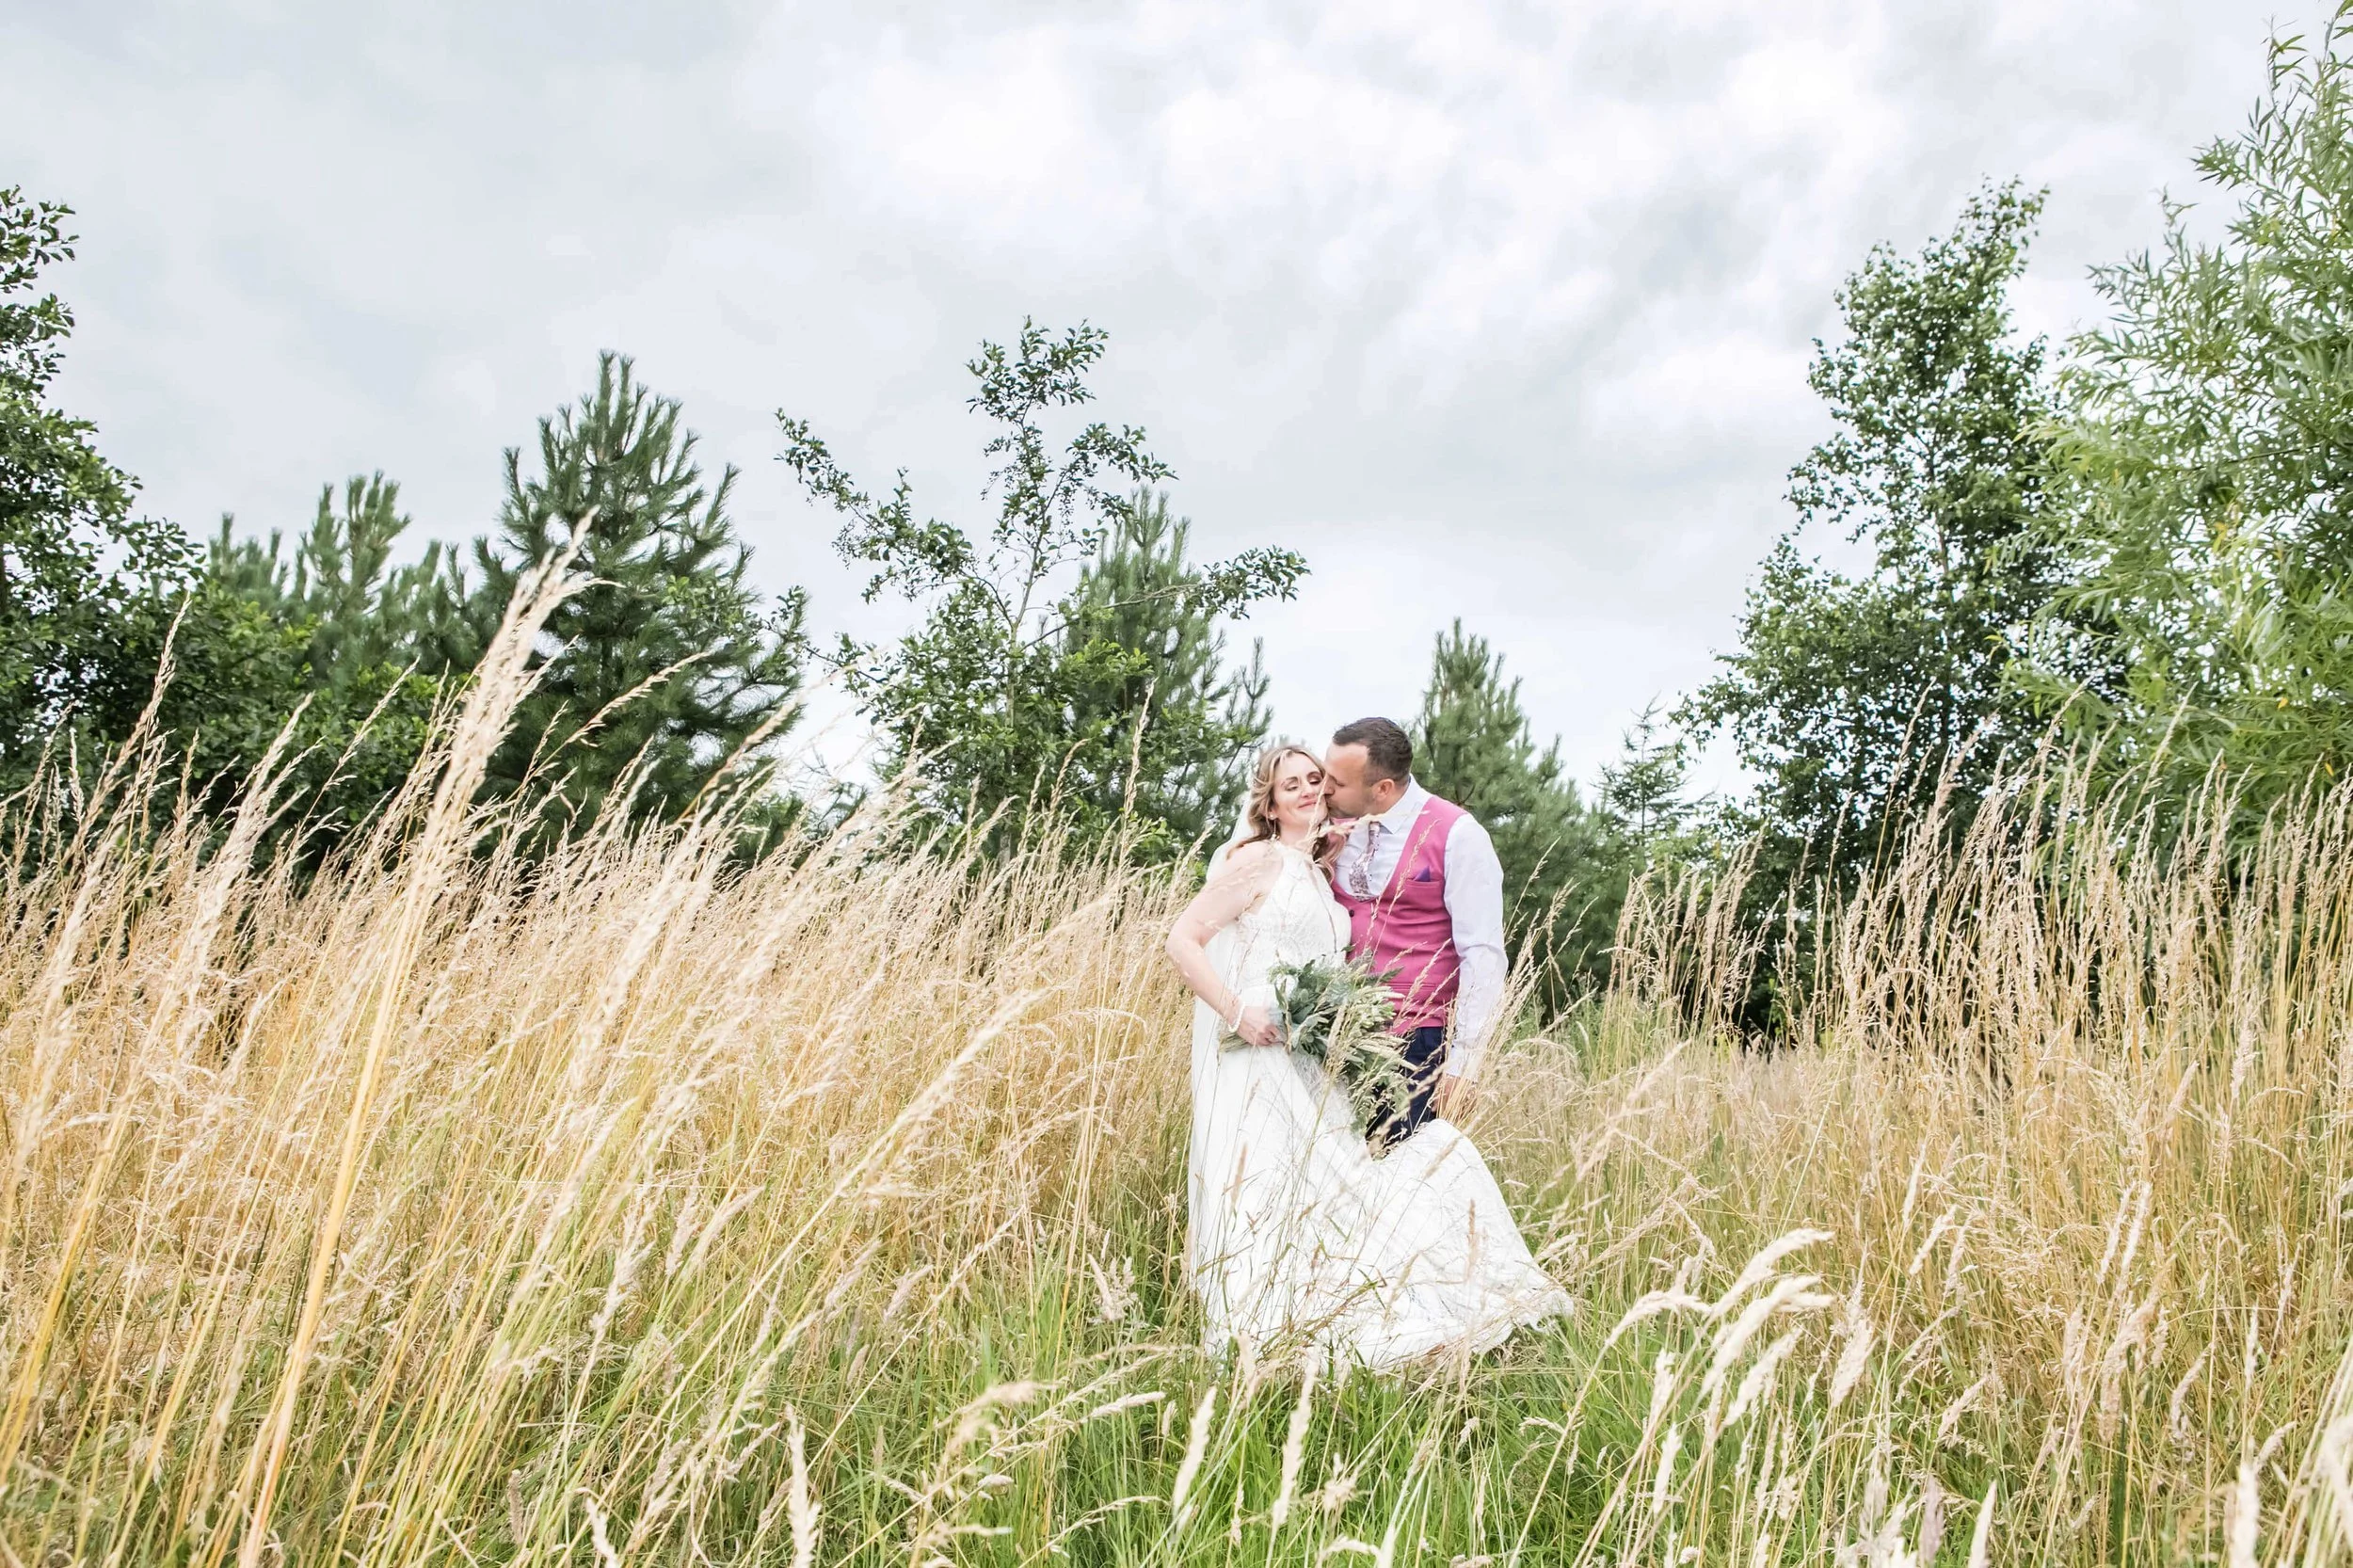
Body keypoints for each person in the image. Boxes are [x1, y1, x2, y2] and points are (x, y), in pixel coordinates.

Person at [1164, 742, 1568, 1369]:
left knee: (1328, 1179)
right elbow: (1183, 940)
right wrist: (1239, 1012)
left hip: (1309, 1053)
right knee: (1263, 1178)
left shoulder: (1323, 873)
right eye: (1288, 783)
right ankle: (1259, 1323)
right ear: (1268, 802)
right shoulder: (1255, 861)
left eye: (1313, 780)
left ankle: (1337, 1298)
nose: (1304, 790)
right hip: (1256, 1048)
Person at [1321, 716, 1505, 1147]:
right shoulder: (1332, 826)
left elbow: (1483, 954)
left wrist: (1466, 1065)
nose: (1324, 789)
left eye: (1337, 782)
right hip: (1334, 1034)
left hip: (1417, 1040)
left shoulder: (1459, 835)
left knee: (1401, 1176)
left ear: (1382, 788)